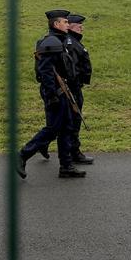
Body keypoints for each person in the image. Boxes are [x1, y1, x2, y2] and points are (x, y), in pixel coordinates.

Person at [17, 10, 86, 179]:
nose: (67, 24)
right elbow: (45, 71)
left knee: (67, 128)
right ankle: (22, 155)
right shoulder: (51, 42)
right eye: (64, 22)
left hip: (63, 91)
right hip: (56, 92)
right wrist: (51, 95)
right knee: (53, 129)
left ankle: (66, 166)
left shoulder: (58, 41)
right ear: (56, 24)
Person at [65, 14, 95, 165]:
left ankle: (45, 144)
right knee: (74, 120)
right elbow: (72, 68)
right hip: (73, 88)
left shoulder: (75, 41)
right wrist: (76, 84)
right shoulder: (70, 43)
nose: (81, 27)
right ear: (69, 26)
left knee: (66, 121)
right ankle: (74, 153)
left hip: (76, 86)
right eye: (78, 25)